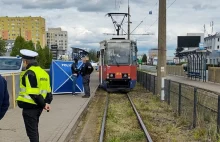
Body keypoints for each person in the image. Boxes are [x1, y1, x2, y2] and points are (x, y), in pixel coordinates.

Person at [16, 49, 53, 142]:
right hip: (38, 107)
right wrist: (47, 103)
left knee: (32, 133)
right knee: (34, 129)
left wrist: (44, 104)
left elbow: (34, 93)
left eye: (23, 61)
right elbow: (48, 91)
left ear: (26, 61)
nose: (23, 64)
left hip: (30, 107)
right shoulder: (44, 73)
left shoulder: (29, 73)